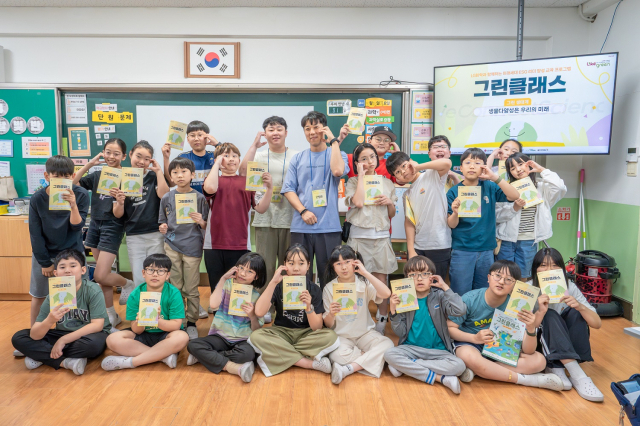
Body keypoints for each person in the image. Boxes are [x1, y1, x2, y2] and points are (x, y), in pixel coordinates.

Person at [447, 260, 564, 391]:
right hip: (471, 344)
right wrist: (474, 338)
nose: (502, 282)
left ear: (515, 285)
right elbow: (450, 328)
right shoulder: (470, 298)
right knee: (466, 355)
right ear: (488, 278)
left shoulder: (518, 305)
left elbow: (528, 351)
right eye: (498, 276)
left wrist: (531, 328)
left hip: (500, 350)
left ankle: (480, 370)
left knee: (540, 361)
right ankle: (528, 380)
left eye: (509, 279)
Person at [12, 249, 110, 375]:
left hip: (88, 335)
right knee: (19, 338)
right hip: (62, 333)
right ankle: (66, 362)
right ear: (56, 273)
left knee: (93, 346)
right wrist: (49, 321)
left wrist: (63, 340)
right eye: (62, 267)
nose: (68, 270)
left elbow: (97, 325)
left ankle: (41, 355)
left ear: (83, 270)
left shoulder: (92, 290)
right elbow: (35, 335)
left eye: (73, 266)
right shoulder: (53, 295)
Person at [282, 111, 350, 289]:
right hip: (301, 225)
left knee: (329, 275)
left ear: (325, 129)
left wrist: (334, 141)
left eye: (316, 127)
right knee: (298, 276)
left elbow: (337, 171)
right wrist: (303, 211)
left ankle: (327, 314)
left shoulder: (338, 154)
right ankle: (300, 314)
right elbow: (288, 189)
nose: (312, 132)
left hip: (329, 226)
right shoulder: (298, 158)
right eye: (307, 128)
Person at [250, 244, 339, 377]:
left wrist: (309, 308)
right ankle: (308, 363)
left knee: (331, 337)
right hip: (281, 332)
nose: (296, 268)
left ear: (308, 265)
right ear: (284, 264)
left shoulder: (314, 289)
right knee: (255, 337)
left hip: (306, 334)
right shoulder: (278, 286)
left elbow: (317, 327)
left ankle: (279, 353)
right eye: (291, 263)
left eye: (301, 263)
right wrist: (273, 282)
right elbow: (259, 312)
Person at [202, 143, 272, 310]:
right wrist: (216, 165)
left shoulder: (247, 181)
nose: (231, 159)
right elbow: (210, 188)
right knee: (217, 285)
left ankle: (238, 322)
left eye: (235, 155)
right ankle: (219, 321)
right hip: (214, 245)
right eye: (226, 156)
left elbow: (261, 209)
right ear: (218, 160)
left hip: (240, 244)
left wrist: (269, 188)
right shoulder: (213, 180)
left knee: (239, 287)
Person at [74, 138, 135, 331]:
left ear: (124, 156)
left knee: (100, 275)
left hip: (113, 225)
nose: (111, 157)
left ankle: (128, 283)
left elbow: (119, 213)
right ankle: (111, 314)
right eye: (108, 152)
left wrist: (119, 200)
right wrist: (89, 164)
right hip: (94, 224)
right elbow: (73, 184)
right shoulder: (97, 174)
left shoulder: (128, 176)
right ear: (103, 152)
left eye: (116, 153)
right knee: (104, 276)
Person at [384, 256, 466, 394]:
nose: (419, 278)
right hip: (411, 348)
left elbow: (460, 310)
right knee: (389, 354)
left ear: (432, 277)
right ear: (407, 279)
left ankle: (408, 367)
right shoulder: (405, 298)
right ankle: (440, 378)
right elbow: (401, 333)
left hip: (438, 351)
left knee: (459, 366)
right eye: (413, 275)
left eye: (425, 274)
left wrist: (445, 287)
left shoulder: (440, 296)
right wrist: (393, 311)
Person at [530, 248, 604, 402]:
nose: (549, 270)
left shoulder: (569, 287)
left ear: (562, 269)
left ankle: (559, 366)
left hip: (565, 343)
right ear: (535, 269)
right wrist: (540, 311)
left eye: (555, 265)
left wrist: (580, 306)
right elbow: (523, 330)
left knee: (576, 312)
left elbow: (597, 324)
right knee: (549, 314)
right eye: (543, 265)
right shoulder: (529, 289)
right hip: (537, 346)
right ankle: (577, 374)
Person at [26, 155, 89, 329]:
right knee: (39, 295)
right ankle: (35, 334)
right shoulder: (37, 199)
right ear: (47, 177)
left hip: (72, 255)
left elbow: (77, 227)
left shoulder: (81, 194)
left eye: (67, 177)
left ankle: (75, 333)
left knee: (77, 296)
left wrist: (73, 205)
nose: (62, 181)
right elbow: (35, 233)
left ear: (73, 176)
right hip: (45, 254)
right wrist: (45, 263)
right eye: (56, 177)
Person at [446, 148, 519, 295]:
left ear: (484, 167)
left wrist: (494, 177)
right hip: (462, 250)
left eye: (477, 163)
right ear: (460, 168)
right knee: (460, 291)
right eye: (467, 163)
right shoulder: (453, 191)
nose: (472, 166)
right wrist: (455, 213)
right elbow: (451, 224)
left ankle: (478, 318)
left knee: (483, 292)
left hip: (486, 250)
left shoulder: (490, 187)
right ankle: (460, 318)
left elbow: (514, 195)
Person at [186, 252, 267, 382]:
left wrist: (252, 316)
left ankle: (206, 357)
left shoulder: (256, 297)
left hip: (243, 340)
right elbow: (213, 304)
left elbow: (257, 329)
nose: (243, 274)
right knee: (193, 345)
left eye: (249, 271)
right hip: (221, 336)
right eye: (241, 268)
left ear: (256, 276)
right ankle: (232, 367)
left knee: (248, 354)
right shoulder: (227, 284)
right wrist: (223, 279)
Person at [101, 254, 189, 370]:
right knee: (112, 339)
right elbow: (136, 330)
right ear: (143, 273)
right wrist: (139, 322)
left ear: (168, 275)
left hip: (166, 334)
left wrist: (157, 320)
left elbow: (176, 325)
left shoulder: (173, 293)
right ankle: (162, 356)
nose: (155, 274)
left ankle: (131, 362)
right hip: (143, 335)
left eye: (161, 271)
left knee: (182, 337)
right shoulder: (135, 294)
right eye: (150, 270)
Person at [345, 142, 397, 335]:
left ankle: (381, 321)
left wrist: (390, 202)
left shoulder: (387, 182)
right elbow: (358, 202)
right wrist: (360, 176)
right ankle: (361, 321)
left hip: (381, 238)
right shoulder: (351, 182)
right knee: (357, 281)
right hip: (358, 238)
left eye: (372, 157)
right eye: (363, 159)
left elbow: (391, 214)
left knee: (381, 280)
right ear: (357, 162)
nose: (369, 162)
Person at [112, 141, 173, 305]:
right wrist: (119, 201)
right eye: (138, 156)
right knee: (140, 277)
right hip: (133, 235)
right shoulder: (121, 178)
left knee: (159, 275)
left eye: (147, 159)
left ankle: (161, 312)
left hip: (155, 234)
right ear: (130, 154)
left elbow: (164, 195)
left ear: (151, 161)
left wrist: (159, 171)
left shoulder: (154, 176)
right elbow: (118, 214)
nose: (141, 161)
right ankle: (145, 314)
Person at [322, 245, 394, 384]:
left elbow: (386, 293)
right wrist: (331, 314)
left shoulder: (364, 283)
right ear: (333, 267)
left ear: (355, 262)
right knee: (336, 355)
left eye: (347, 262)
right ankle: (369, 359)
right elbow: (328, 324)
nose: (344, 267)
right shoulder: (329, 288)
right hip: (342, 336)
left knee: (388, 344)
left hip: (365, 334)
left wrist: (366, 273)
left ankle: (348, 369)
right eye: (338, 264)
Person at [239, 116, 298, 284]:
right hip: (265, 219)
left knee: (289, 267)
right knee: (265, 266)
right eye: (271, 130)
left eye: (279, 129)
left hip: (290, 219)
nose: (275, 133)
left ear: (286, 133)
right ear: (265, 134)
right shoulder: (258, 156)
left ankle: (286, 306)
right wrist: (253, 146)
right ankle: (265, 307)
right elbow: (242, 172)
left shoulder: (297, 155)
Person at [159, 157, 209, 340]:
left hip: (193, 247)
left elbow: (206, 226)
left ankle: (192, 322)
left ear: (192, 175)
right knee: (175, 286)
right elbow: (162, 222)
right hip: (171, 245)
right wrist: (162, 227)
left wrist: (201, 221)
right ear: (170, 176)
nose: (179, 176)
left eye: (184, 172)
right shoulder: (167, 197)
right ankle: (178, 321)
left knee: (192, 288)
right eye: (175, 173)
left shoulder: (200, 198)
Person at [495, 153, 567, 280]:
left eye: (521, 164)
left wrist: (541, 170)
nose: (518, 169)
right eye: (512, 168)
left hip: (529, 241)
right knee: (504, 275)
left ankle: (517, 300)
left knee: (524, 277)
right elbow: (497, 216)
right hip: (507, 240)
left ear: (529, 164)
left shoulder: (542, 187)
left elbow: (560, 187)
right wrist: (514, 208)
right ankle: (506, 300)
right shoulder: (506, 190)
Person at [386, 152, 452, 279]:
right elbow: (409, 222)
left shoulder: (431, 175)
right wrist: (411, 250)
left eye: (404, 166)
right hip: (419, 246)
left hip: (439, 244)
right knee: (418, 286)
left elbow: (447, 163)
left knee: (436, 286)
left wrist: (418, 166)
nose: (403, 172)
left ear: (411, 161)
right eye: (398, 172)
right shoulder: (407, 194)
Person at [161, 120, 220, 193]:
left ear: (208, 137)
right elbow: (172, 183)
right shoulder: (183, 157)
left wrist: (217, 144)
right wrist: (166, 158)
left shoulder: (215, 156)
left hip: (212, 201)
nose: (196, 139)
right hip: (189, 201)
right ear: (188, 139)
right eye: (192, 135)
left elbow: (230, 164)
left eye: (200, 135)